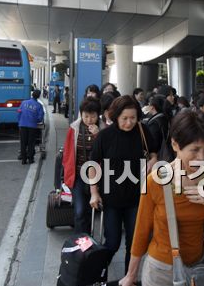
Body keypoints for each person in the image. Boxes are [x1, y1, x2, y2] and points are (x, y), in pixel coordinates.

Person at [119, 110, 204, 286]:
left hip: (199, 269)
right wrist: (131, 275)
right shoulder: (155, 181)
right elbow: (141, 231)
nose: (202, 157)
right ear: (175, 145)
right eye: (195, 150)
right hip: (161, 272)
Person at [89, 95, 158, 273]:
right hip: (111, 197)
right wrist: (94, 193)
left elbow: (153, 153)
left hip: (137, 197)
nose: (129, 123)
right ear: (116, 116)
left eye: (133, 118)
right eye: (125, 118)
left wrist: (153, 160)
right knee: (112, 242)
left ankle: (130, 279)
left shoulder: (142, 131)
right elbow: (93, 165)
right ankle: (97, 271)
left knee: (134, 243)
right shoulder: (105, 136)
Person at [62, 98, 101, 233]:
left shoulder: (103, 130)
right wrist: (67, 174)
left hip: (97, 177)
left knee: (90, 209)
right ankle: (80, 241)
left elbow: (106, 151)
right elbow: (67, 153)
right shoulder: (74, 129)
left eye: (93, 116)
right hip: (77, 176)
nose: (89, 119)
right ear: (81, 114)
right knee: (79, 210)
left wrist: (98, 135)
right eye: (86, 116)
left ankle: (87, 239)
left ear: (98, 115)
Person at [17, 89, 45, 164]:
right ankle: (30, 159)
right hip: (32, 126)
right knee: (31, 142)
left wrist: (20, 121)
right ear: (38, 96)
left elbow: (19, 112)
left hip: (22, 125)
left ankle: (23, 159)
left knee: (23, 142)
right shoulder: (39, 105)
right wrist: (35, 121)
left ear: (32, 95)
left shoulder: (23, 103)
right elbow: (40, 117)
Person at [145, 94, 171, 162]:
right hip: (166, 153)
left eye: (149, 104)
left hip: (159, 157)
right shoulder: (164, 118)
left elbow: (154, 143)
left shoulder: (155, 123)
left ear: (152, 107)